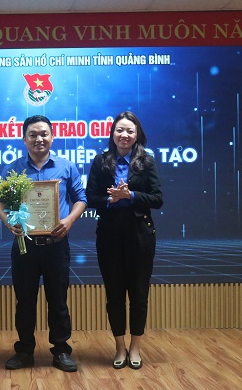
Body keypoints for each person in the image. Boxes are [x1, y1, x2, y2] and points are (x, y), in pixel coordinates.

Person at [0, 115, 87, 372]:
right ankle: (24, 350)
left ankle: (61, 350)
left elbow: (81, 198)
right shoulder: (13, 169)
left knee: (58, 300)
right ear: (24, 139)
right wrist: (7, 221)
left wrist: (69, 220)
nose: (39, 139)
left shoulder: (66, 166)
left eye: (44, 134)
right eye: (33, 135)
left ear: (52, 137)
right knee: (25, 300)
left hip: (57, 243)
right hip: (25, 245)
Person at [85, 111, 163, 370]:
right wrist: (110, 199)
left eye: (130, 130)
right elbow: (90, 197)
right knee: (114, 294)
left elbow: (157, 199)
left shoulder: (147, 162)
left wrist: (131, 196)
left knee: (139, 295)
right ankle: (119, 347)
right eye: (120, 130)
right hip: (109, 236)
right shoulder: (101, 161)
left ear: (137, 134)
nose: (124, 135)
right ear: (113, 133)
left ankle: (136, 347)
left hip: (140, 235)